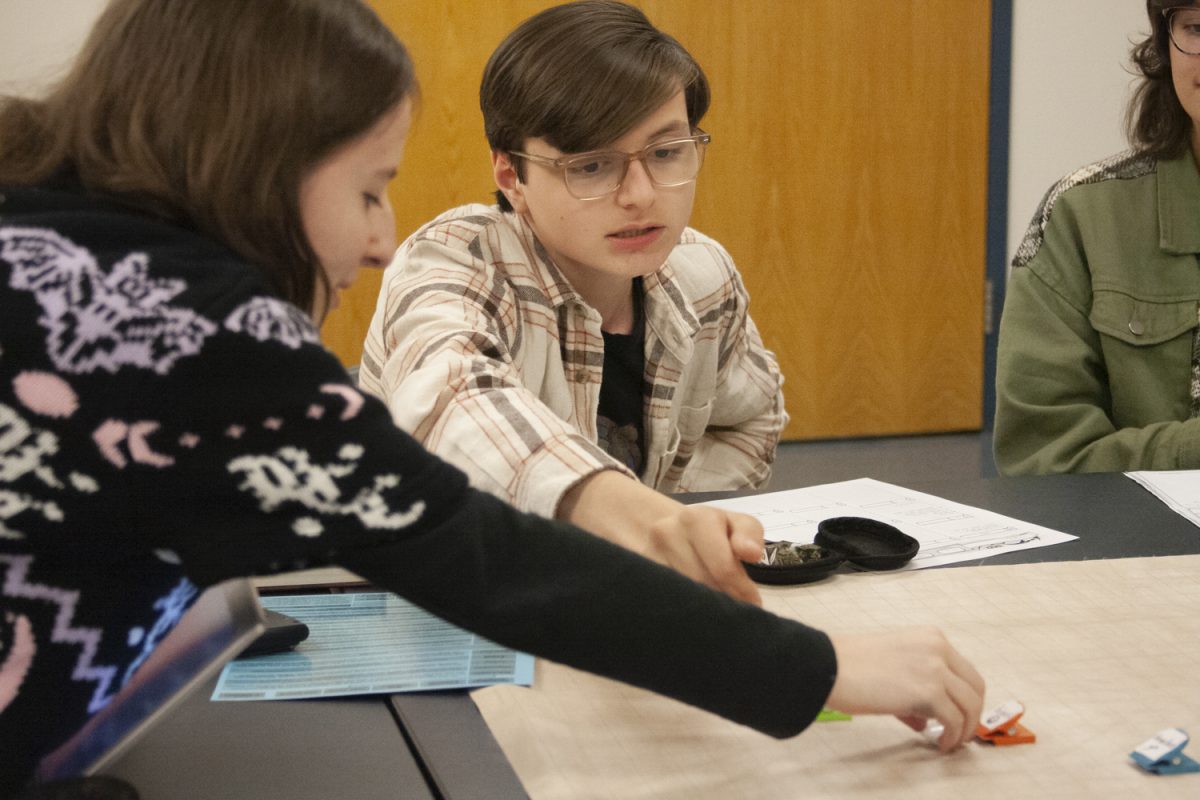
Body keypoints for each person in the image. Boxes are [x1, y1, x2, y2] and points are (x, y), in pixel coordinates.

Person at [0, 0, 985, 796]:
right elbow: (474, 536)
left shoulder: (44, 235)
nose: (380, 235)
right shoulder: (193, 325)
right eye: (370, 187)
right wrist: (817, 670)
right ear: (261, 168)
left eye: (667, 151)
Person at [359, 1, 781, 606]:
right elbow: (453, 402)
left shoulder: (700, 271)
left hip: (618, 604)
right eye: (591, 165)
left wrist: (679, 528)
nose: (639, 196)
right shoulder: (455, 259)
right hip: (444, 600)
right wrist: (642, 522)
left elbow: (750, 415)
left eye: (665, 153)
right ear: (511, 176)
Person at [994, 0, 1200, 475]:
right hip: (1144, 545)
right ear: (1165, 47)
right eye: (1198, 28)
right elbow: (1042, 459)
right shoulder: (1078, 216)